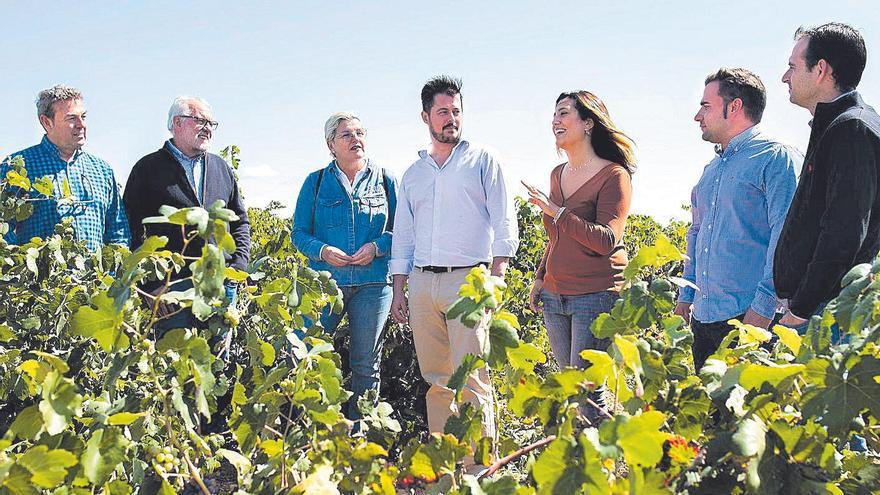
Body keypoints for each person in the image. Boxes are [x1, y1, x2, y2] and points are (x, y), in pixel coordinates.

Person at [389, 76, 519, 474]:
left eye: (456, 112)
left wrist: (497, 276)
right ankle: (445, 469)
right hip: (424, 283)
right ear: (425, 116)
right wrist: (399, 291)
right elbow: (404, 235)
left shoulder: (483, 160)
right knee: (437, 380)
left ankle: (479, 469)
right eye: (443, 112)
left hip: (469, 280)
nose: (451, 119)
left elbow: (504, 218)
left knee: (473, 379)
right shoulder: (413, 174)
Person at [673, 69, 799, 371]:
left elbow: (787, 241)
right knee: (711, 417)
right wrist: (685, 298)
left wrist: (760, 317)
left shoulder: (776, 159)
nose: (697, 116)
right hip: (704, 323)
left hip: (753, 322)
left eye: (706, 106)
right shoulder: (710, 172)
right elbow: (697, 235)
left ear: (735, 107)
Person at [524, 91, 636, 425]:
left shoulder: (615, 175)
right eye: (554, 115)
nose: (555, 121)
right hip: (555, 295)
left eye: (563, 114)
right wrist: (539, 277)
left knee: (588, 392)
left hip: (596, 294)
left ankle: (605, 466)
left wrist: (556, 211)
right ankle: (583, 461)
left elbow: (606, 239)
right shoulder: (557, 174)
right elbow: (556, 237)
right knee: (572, 389)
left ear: (588, 123)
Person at [775, 23, 880, 333]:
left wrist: (801, 310)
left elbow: (843, 235)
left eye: (792, 67)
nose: (785, 77)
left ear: (820, 70)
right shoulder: (843, 125)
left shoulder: (851, 129)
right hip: (820, 309)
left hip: (825, 315)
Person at [291, 112, 397, 420]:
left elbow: (403, 229)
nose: (356, 139)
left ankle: (360, 434)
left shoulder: (385, 180)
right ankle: (316, 429)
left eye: (360, 133)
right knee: (311, 355)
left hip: (373, 285)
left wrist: (377, 246)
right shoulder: (316, 182)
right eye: (347, 135)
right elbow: (299, 233)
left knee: (366, 364)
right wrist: (323, 251)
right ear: (331, 145)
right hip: (326, 284)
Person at [123, 96, 250, 335]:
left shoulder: (221, 168)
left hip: (220, 284)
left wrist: (238, 265)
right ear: (177, 123)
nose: (208, 129)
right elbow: (131, 229)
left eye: (212, 124)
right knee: (174, 363)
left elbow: (240, 220)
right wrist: (151, 285)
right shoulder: (147, 169)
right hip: (172, 289)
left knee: (216, 362)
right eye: (200, 121)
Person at [0, 84, 130, 251]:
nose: (81, 124)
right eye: (71, 118)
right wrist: (23, 267)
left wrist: (113, 272)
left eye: (83, 116)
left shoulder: (102, 171)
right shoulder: (18, 167)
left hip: (95, 276)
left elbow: (118, 231)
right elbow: (3, 228)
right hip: (41, 277)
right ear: (46, 122)